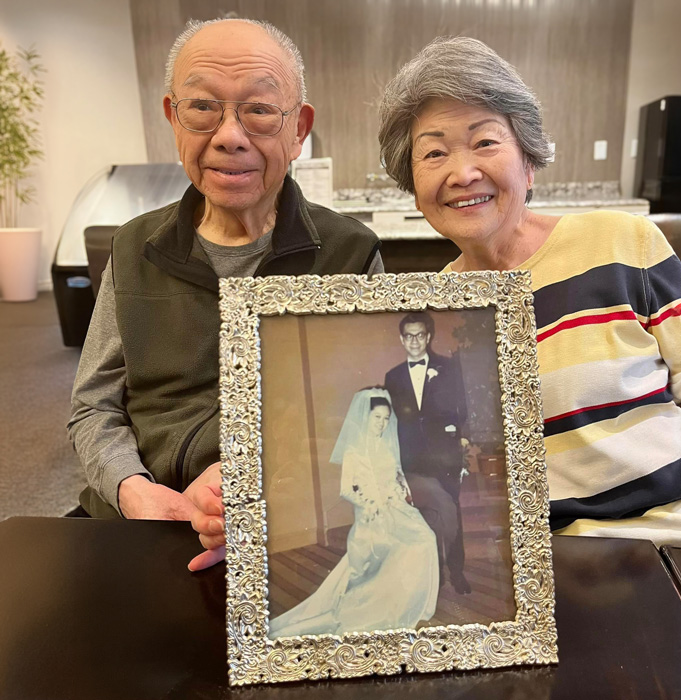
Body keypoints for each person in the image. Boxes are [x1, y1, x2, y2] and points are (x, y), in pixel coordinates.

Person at [377, 36, 681, 547]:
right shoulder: (437, 308)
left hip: (675, 537)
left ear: (528, 161)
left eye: (485, 142)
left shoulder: (622, 244)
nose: (462, 173)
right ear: (413, 185)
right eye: (434, 153)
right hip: (538, 567)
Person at [68, 18, 382, 521]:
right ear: (174, 117)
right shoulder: (133, 248)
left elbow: (367, 413)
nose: (229, 136)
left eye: (258, 110)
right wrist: (134, 491)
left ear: (298, 129)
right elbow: (94, 406)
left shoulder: (350, 253)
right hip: (144, 516)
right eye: (202, 108)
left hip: (288, 520)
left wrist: (256, 482)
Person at [268, 389, 439, 638]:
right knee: (395, 552)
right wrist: (368, 503)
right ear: (365, 418)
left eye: (385, 418)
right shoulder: (355, 452)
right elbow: (346, 489)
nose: (381, 423)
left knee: (426, 539)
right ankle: (383, 607)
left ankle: (415, 604)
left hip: (397, 508)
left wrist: (403, 490)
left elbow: (397, 474)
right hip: (372, 512)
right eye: (376, 417)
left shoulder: (388, 446)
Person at [384, 312, 471, 594]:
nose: (415, 341)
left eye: (420, 335)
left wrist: (459, 437)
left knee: (450, 511)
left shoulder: (447, 368)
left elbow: (462, 407)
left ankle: (457, 572)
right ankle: (434, 575)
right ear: (401, 339)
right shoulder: (393, 376)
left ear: (428, 336)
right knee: (423, 516)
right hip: (413, 457)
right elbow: (394, 420)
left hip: (444, 454)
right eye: (409, 335)